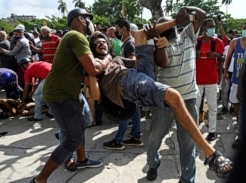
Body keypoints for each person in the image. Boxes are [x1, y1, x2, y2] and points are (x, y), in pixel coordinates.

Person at [88, 23, 232, 178]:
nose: (101, 43)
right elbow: (96, 96)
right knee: (173, 98)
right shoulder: (95, 66)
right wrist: (93, 73)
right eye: (97, 43)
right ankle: (211, 155)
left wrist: (158, 45)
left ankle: (187, 178)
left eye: (103, 41)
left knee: (141, 34)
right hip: (126, 83)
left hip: (138, 76)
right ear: (92, 50)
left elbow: (137, 61)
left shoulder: (116, 59)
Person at [29, 8, 104, 183]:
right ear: (80, 19)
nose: (90, 23)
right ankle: (40, 179)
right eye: (88, 19)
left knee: (84, 121)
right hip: (59, 95)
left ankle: (82, 159)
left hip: (71, 93)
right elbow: (93, 69)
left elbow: (83, 73)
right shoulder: (75, 36)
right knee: (72, 138)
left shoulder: (76, 38)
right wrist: (106, 61)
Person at [146, 6, 206, 182]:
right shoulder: (158, 44)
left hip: (187, 99)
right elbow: (162, 63)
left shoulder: (187, 34)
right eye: (161, 27)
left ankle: (187, 179)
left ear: (174, 25)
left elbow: (202, 15)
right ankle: (153, 164)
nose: (166, 28)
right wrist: (158, 42)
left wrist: (184, 9)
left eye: (168, 25)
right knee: (153, 142)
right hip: (165, 100)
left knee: (188, 143)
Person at [103, 18, 143, 150]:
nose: (116, 32)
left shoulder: (129, 43)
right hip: (130, 80)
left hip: (127, 81)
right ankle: (136, 137)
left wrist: (118, 60)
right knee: (134, 109)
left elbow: (133, 61)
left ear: (124, 29)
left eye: (117, 29)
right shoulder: (126, 42)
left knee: (124, 109)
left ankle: (118, 140)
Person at [195, 18, 225, 141]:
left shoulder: (217, 42)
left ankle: (212, 131)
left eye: (213, 26)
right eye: (210, 26)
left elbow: (223, 59)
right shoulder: (196, 41)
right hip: (197, 80)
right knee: (195, 106)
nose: (213, 28)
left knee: (212, 107)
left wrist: (217, 56)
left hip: (212, 80)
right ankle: (195, 129)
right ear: (204, 28)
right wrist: (194, 54)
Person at [224, 23, 246, 148]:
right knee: (236, 102)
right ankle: (239, 123)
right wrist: (225, 72)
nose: (245, 31)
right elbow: (228, 58)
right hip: (237, 79)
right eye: (244, 28)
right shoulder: (235, 42)